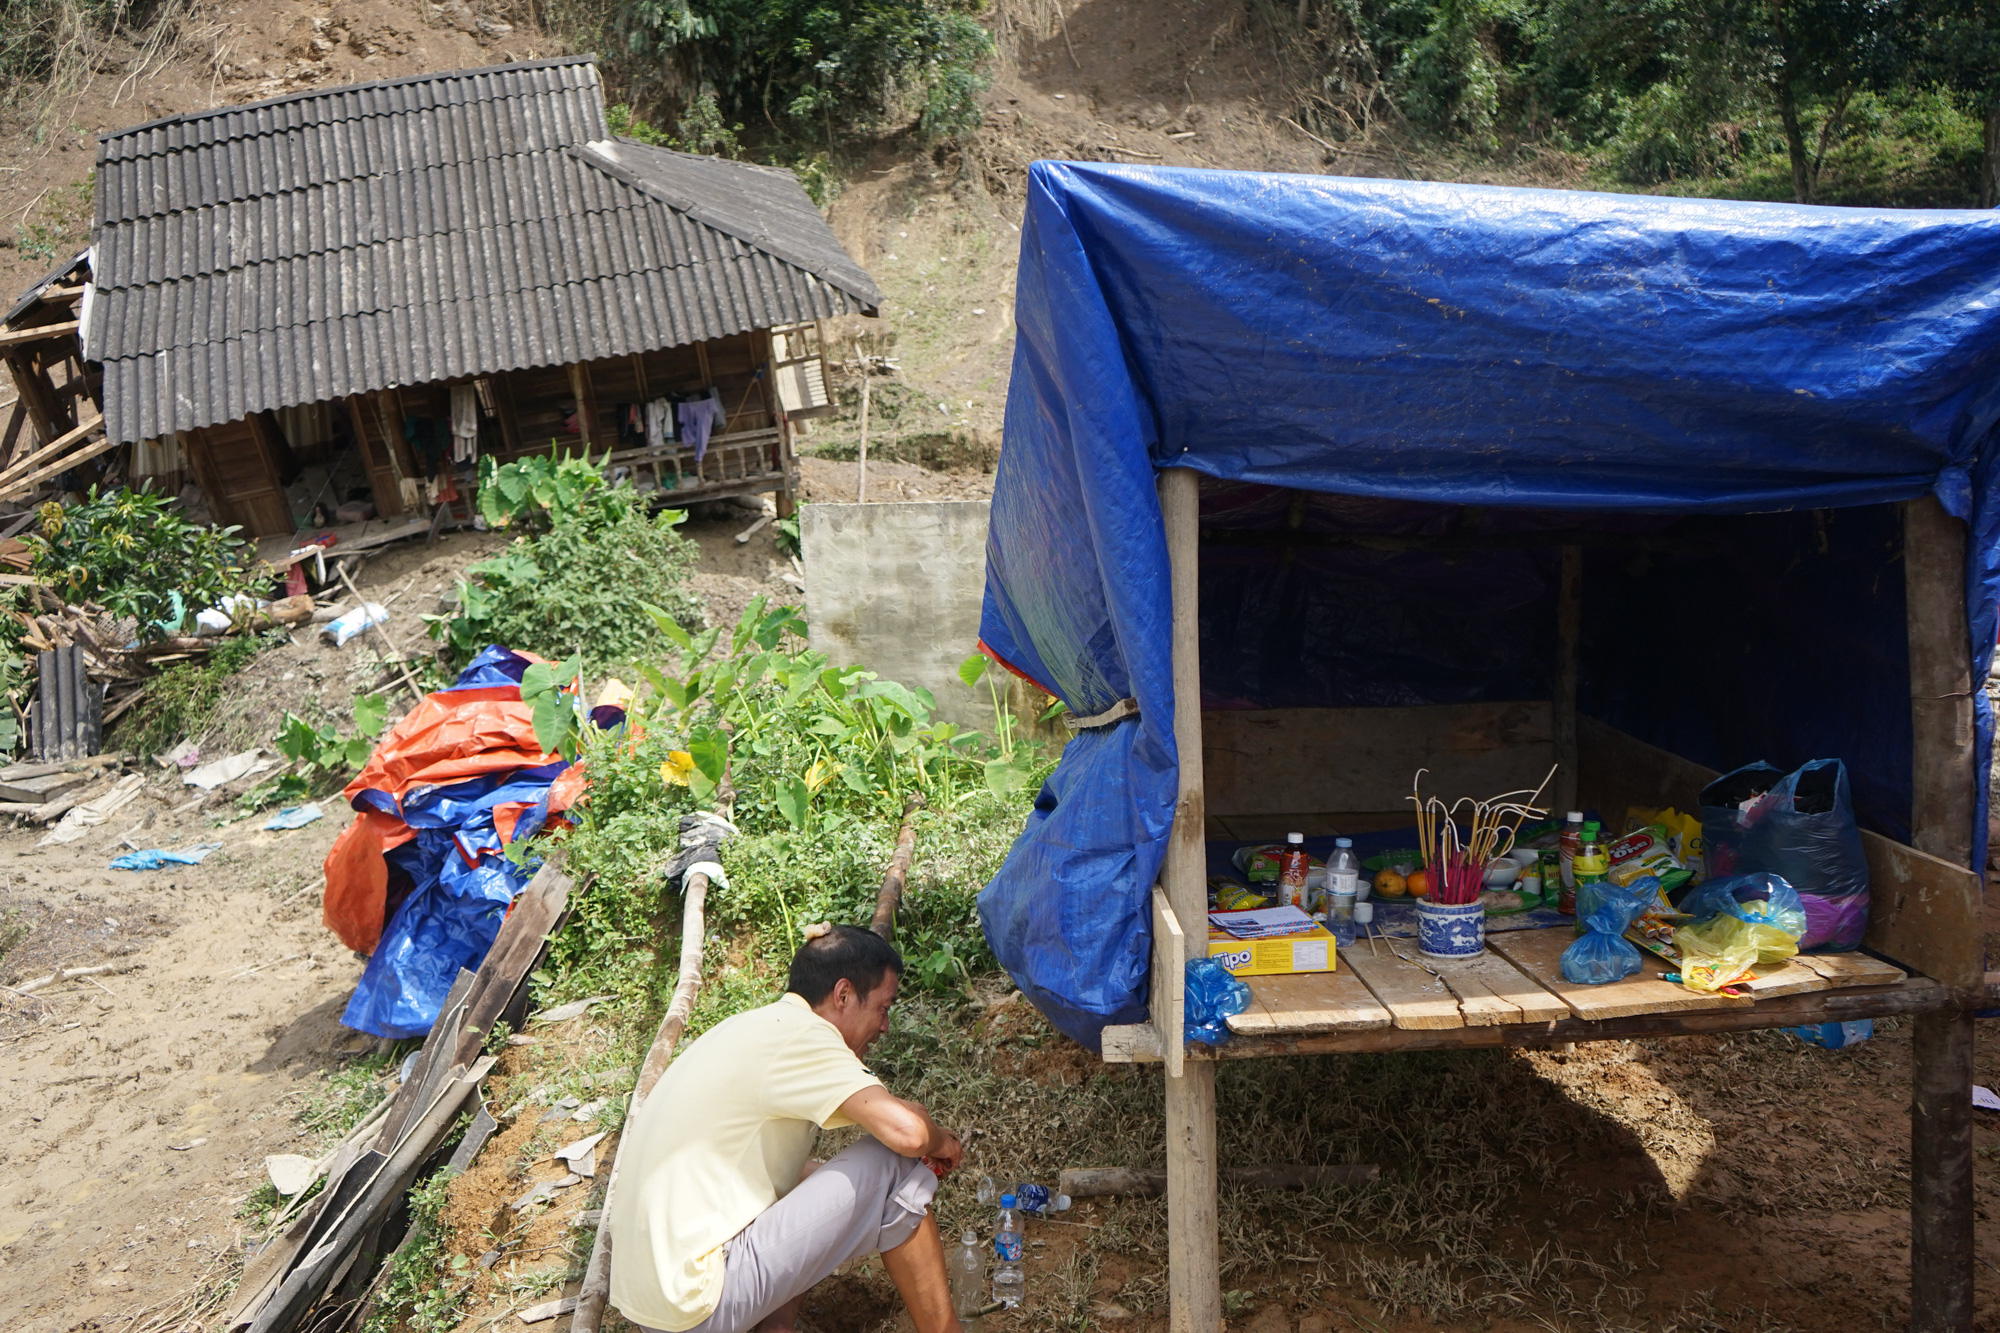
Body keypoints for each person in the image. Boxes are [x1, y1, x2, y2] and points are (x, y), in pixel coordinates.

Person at [609, 923, 966, 1333]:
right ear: (843, 994)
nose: (884, 1026)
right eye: (883, 1008)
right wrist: (938, 1140)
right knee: (893, 1165)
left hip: (656, 1308)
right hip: (696, 1303)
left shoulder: (751, 1028)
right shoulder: (804, 1036)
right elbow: (908, 1135)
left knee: (800, 1188)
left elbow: (770, 1175)